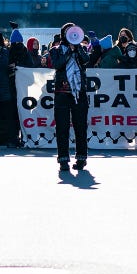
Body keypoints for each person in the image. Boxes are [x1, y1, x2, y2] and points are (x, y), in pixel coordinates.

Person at [50, 22, 90, 171]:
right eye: (68, 32)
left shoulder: (81, 49)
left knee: (80, 127)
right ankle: (63, 160)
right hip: (62, 92)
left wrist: (77, 48)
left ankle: (81, 158)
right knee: (62, 127)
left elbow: (86, 60)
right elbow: (57, 65)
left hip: (79, 92)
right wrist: (68, 52)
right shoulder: (56, 50)